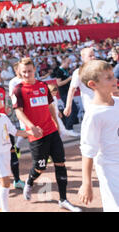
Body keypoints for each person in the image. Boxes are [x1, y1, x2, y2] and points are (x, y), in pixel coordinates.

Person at [13, 57, 81, 212]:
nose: (27, 74)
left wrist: (56, 121)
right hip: (36, 135)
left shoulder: (43, 86)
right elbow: (18, 112)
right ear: (19, 72)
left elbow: (50, 105)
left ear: (34, 70)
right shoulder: (18, 89)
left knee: (60, 164)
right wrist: (31, 127)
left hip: (51, 131)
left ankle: (63, 199)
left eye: (29, 71)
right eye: (23, 72)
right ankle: (30, 181)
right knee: (39, 167)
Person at [78, 60, 119, 211]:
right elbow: (88, 152)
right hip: (110, 170)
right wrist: (86, 183)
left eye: (113, 76)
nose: (115, 80)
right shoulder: (94, 115)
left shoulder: (117, 102)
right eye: (108, 78)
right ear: (93, 84)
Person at [63, 47, 96, 122]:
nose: (93, 57)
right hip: (91, 108)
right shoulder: (78, 72)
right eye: (90, 56)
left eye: (94, 55)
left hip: (105, 105)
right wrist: (68, 106)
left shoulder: (101, 70)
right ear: (83, 57)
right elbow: (72, 89)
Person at [52, 56, 79, 137]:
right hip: (64, 93)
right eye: (67, 63)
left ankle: (68, 128)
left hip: (68, 92)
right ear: (63, 62)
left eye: (69, 63)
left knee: (73, 109)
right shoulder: (59, 71)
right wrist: (69, 79)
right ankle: (68, 128)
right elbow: (59, 83)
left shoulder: (65, 70)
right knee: (72, 109)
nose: (69, 64)